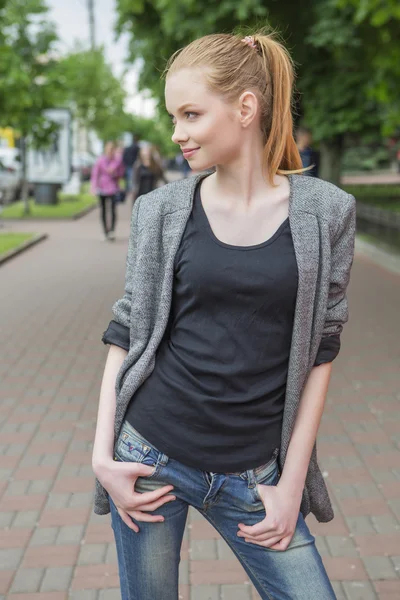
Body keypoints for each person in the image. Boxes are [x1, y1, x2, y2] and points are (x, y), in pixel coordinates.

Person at [93, 31, 355, 600]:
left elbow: (322, 351)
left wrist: (289, 486)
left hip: (253, 474)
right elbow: (126, 329)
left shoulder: (327, 212)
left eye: (190, 113)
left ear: (245, 107)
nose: (176, 133)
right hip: (150, 457)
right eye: (172, 117)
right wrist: (103, 455)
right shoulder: (159, 211)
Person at [90, 141, 124, 241]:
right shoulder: (100, 160)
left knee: (113, 209)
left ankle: (112, 231)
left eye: (112, 150)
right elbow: (95, 174)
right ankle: (105, 231)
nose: (110, 152)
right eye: (108, 150)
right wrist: (93, 187)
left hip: (113, 188)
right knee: (103, 210)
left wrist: (115, 171)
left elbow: (121, 173)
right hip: (102, 188)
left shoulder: (117, 161)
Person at [122, 134, 140, 202]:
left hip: (129, 166)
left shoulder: (126, 148)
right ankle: (133, 192)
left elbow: (123, 158)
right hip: (134, 165)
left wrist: (126, 164)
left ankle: (130, 192)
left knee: (130, 180)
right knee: (134, 180)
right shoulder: (137, 147)